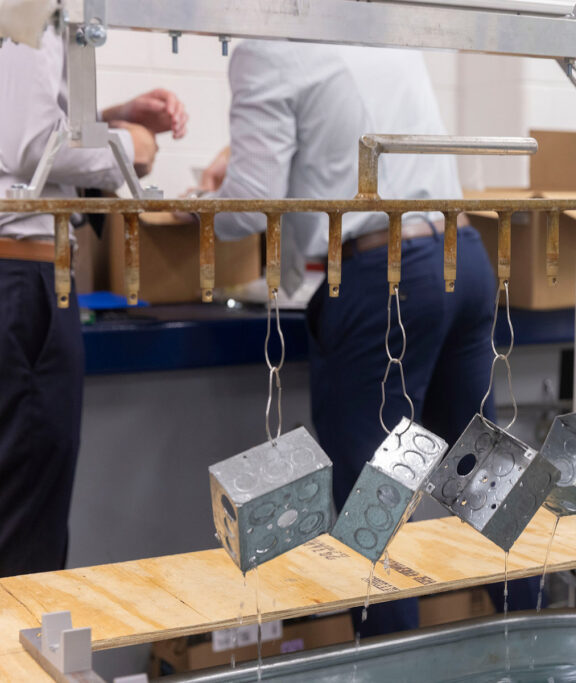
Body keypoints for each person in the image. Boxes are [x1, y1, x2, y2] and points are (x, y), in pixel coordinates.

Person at [200, 41, 539, 636]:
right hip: (462, 259)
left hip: (385, 276)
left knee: (371, 507)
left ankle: (392, 664)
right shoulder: (377, 26)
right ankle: (551, 642)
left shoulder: (262, 47)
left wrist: (199, 207)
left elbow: (250, 207)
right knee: (483, 474)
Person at [0, 27, 188, 577]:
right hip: (21, 276)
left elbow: (16, 125)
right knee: (26, 514)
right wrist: (131, 147)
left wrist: (111, 114)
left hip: (21, 275)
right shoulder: (31, 12)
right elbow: (33, 145)